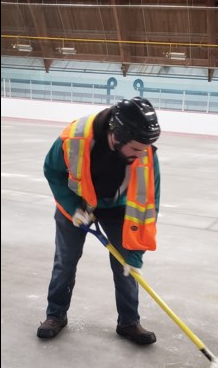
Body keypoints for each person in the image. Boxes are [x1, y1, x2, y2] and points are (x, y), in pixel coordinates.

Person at [37, 96, 162, 345]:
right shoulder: (75, 138)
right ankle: (55, 315)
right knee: (66, 262)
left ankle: (129, 322)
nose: (141, 155)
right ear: (117, 136)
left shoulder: (145, 153)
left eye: (145, 148)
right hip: (77, 203)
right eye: (136, 149)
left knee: (126, 267)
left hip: (119, 208)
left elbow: (149, 207)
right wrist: (73, 208)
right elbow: (52, 170)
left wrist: (135, 256)